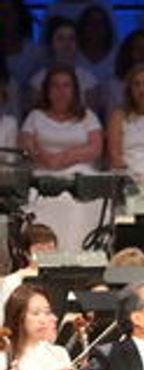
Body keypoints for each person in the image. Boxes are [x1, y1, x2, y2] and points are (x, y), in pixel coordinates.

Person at [20, 65, 104, 251]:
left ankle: (76, 253)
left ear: (74, 90)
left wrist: (66, 156)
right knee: (35, 198)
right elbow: (26, 145)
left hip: (78, 174)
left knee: (77, 201)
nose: (61, 91)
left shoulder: (87, 116)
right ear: (47, 90)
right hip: (43, 174)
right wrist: (47, 159)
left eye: (66, 86)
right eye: (55, 86)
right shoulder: (35, 116)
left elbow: (95, 148)